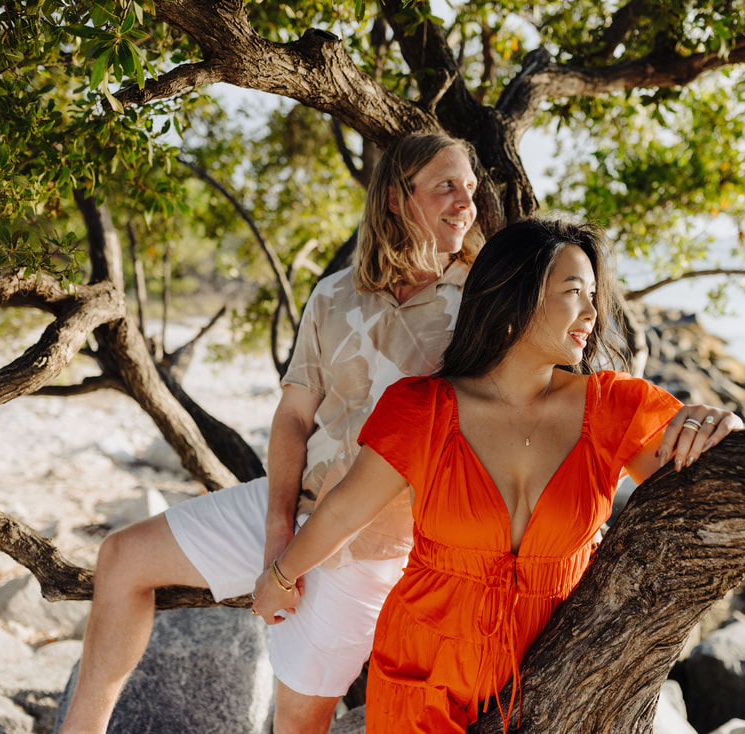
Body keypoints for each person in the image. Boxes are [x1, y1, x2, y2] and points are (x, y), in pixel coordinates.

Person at [57, 132, 485, 734]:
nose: (466, 203)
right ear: (396, 198)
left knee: (296, 722)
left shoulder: (484, 304)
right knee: (121, 557)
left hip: (372, 545)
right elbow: (292, 418)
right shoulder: (336, 294)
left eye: (469, 188)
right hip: (292, 508)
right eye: (446, 186)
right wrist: (276, 533)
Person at [251, 217, 744, 732]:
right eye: (574, 291)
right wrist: (280, 576)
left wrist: (726, 431)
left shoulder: (614, 408)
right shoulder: (425, 410)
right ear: (515, 296)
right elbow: (344, 511)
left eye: (594, 295)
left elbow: (697, 497)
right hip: (424, 670)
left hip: (553, 676)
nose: (593, 313)